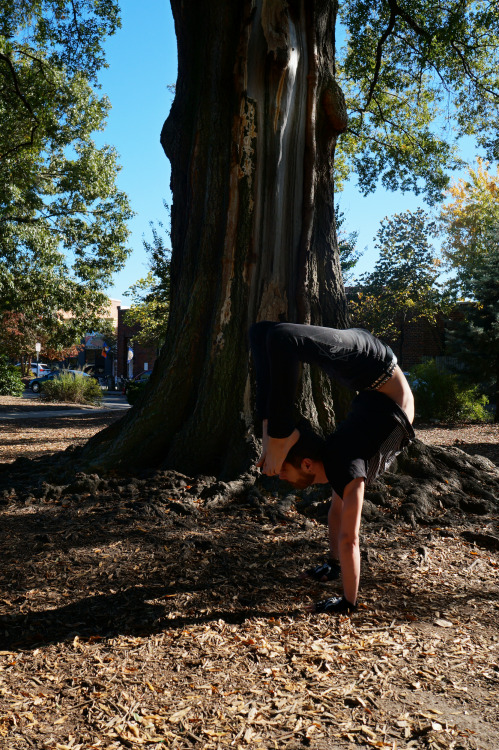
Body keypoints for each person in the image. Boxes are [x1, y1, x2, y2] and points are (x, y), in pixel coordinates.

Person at [249, 321, 415, 615]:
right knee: (279, 338)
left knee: (264, 334)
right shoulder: (345, 469)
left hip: (373, 374)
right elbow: (345, 530)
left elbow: (342, 528)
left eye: (284, 470)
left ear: (308, 462)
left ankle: (274, 433)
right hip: (376, 372)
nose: (282, 477)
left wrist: (339, 581)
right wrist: (341, 583)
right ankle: (277, 435)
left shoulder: (341, 466)